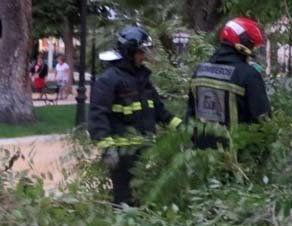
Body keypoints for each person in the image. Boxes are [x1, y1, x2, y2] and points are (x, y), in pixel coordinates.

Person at [88, 25, 182, 205]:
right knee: (124, 199)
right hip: (122, 154)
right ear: (129, 52)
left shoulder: (142, 78)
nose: (144, 55)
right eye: (141, 51)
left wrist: (182, 127)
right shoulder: (109, 80)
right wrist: (108, 149)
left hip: (144, 150)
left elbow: (159, 110)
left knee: (141, 195)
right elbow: (97, 115)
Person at [187, 17, 271, 149]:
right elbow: (263, 122)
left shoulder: (199, 71)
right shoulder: (248, 75)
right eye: (252, 46)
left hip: (201, 158)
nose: (253, 50)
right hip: (235, 160)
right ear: (243, 44)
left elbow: (190, 118)